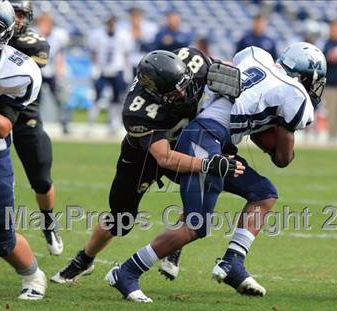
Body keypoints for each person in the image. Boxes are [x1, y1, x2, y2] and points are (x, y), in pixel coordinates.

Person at [105, 43, 327, 302]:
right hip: (204, 138)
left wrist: (264, 121)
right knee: (196, 224)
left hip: (213, 137)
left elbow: (245, 111)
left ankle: (232, 263)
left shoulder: (258, 56)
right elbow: (283, 158)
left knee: (264, 193)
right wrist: (278, 127)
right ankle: (127, 272)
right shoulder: (296, 95)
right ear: (304, 77)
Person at [51, 47, 244, 288]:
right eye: (174, 93)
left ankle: (175, 245)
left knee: (199, 193)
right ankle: (84, 259)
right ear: (156, 92)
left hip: (185, 141)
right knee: (121, 220)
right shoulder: (138, 109)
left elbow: (223, 69)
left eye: (184, 84)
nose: (184, 93)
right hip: (144, 157)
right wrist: (207, 163)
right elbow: (164, 157)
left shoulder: (193, 61)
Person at [0, 0, 46, 299]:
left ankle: (33, 277)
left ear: (5, 33)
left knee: (0, 236)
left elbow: (1, 126)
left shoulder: (18, 70)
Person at [9, 0, 63, 256]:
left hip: (22, 115)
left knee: (41, 178)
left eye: (22, 14)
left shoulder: (35, 43)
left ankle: (49, 223)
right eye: (14, 13)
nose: (18, 19)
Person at [87, 16, 132, 133]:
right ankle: (91, 123)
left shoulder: (123, 36)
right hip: (102, 70)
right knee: (97, 96)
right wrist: (95, 67)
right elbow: (93, 52)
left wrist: (127, 71)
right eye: (109, 23)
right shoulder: (98, 36)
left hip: (117, 70)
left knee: (117, 98)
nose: (111, 26)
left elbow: (126, 54)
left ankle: (113, 123)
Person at [36, 11, 69, 133]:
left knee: (58, 99)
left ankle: (64, 123)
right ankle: (35, 124)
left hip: (52, 72)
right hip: (38, 72)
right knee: (36, 101)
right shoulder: (36, 35)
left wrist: (60, 72)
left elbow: (60, 56)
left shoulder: (57, 37)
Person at [120, 7, 158, 77]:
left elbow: (152, 46)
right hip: (128, 62)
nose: (135, 18)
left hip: (145, 60)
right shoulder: (123, 28)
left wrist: (141, 36)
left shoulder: (150, 27)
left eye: (137, 15)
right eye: (133, 15)